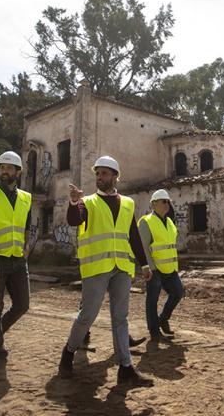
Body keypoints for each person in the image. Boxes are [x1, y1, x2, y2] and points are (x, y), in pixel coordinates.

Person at [58, 155, 154, 387]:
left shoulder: (128, 203)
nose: (99, 177)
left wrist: (144, 264)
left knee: (120, 318)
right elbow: (73, 220)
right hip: (96, 267)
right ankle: (68, 353)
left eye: (104, 173)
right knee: (87, 315)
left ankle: (126, 368)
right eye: (98, 173)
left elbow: (133, 236)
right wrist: (73, 202)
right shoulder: (87, 202)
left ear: (114, 176)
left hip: (122, 267)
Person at [0, 151, 32, 362]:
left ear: (18, 171)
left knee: (22, 305)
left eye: (9, 167)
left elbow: (28, 225)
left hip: (18, 259)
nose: (4, 171)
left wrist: (27, 245)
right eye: (2, 167)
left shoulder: (26, 197)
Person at [139, 189, 184, 342]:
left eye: (168, 201)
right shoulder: (146, 222)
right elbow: (143, 247)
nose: (167, 204)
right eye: (163, 201)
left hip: (170, 268)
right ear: (153, 204)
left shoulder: (170, 222)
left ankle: (163, 319)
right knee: (152, 300)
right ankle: (154, 330)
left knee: (178, 292)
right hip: (155, 269)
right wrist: (150, 267)